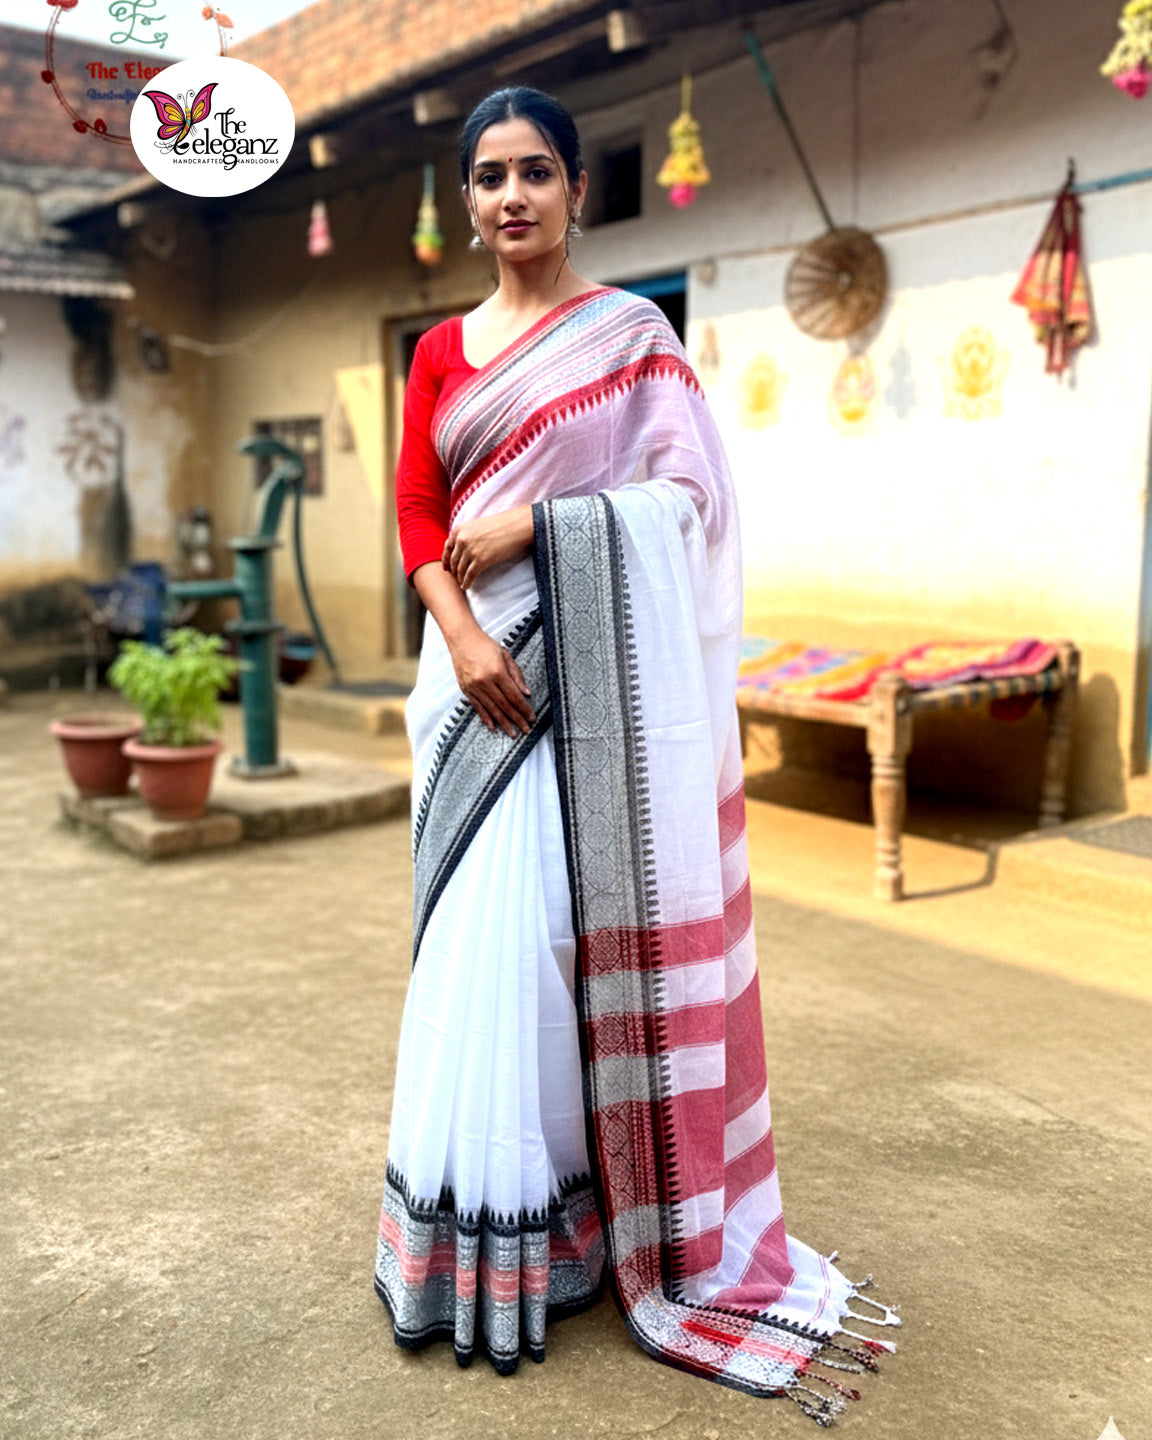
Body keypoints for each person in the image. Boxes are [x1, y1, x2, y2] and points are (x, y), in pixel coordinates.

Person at [374, 86, 897, 1424]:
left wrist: (541, 530)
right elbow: (420, 511)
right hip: (473, 681)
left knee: (562, 945)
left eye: (535, 172)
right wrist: (464, 633)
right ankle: (467, 1234)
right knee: (477, 944)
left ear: (576, 190)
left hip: (591, 692)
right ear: (468, 199)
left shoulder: (631, 338)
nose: (511, 196)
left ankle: (579, 1226)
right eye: (489, 175)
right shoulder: (439, 352)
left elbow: (689, 500)